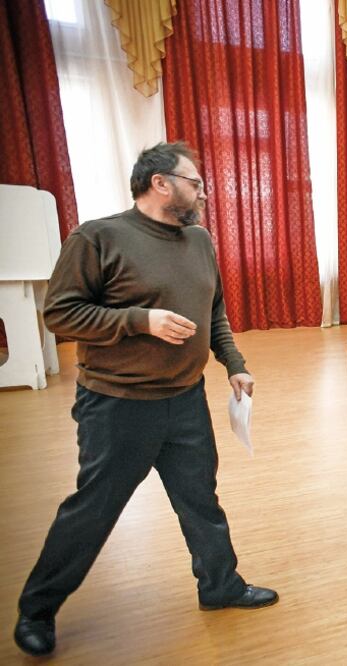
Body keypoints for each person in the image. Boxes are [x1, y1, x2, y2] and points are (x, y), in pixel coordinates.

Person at [13, 142, 278, 657]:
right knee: (93, 510)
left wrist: (235, 364)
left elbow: (213, 310)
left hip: (185, 399)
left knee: (201, 500)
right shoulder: (98, 237)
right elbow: (61, 314)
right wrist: (140, 320)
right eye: (194, 182)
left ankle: (220, 585)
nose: (202, 192)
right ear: (160, 183)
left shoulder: (198, 240)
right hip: (118, 405)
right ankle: (37, 610)